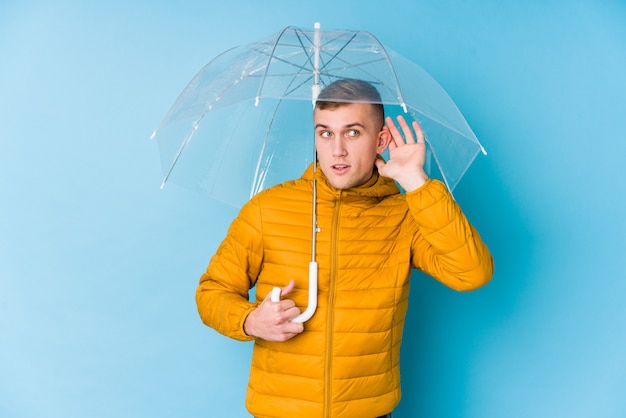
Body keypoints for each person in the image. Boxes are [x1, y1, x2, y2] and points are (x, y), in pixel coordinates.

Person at [196, 79, 494, 418]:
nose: (337, 149)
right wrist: (250, 320)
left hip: (368, 411)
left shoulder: (406, 213)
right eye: (325, 133)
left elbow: (473, 273)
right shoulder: (267, 209)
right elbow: (212, 292)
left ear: (380, 140)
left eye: (352, 133)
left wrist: (415, 182)